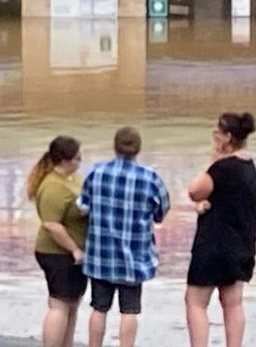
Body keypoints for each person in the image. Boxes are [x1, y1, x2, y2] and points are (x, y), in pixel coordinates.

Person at [77, 126, 171, 347]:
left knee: (98, 308)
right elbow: (161, 212)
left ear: (115, 146)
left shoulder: (96, 173)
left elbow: (82, 206)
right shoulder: (150, 178)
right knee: (130, 310)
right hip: (134, 258)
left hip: (101, 255)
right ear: (138, 148)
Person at [184, 113, 256, 347]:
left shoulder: (223, 167)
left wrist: (214, 158)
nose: (213, 135)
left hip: (213, 245)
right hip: (241, 244)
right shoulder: (249, 166)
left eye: (217, 132)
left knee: (195, 301)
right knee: (233, 302)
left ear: (227, 137)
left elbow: (195, 190)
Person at [26, 136, 88, 347]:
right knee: (59, 304)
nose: (81, 160)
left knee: (72, 303)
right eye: (78, 156)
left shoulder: (73, 178)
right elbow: (51, 224)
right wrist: (74, 250)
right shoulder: (53, 186)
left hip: (74, 252)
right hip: (57, 253)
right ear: (66, 160)